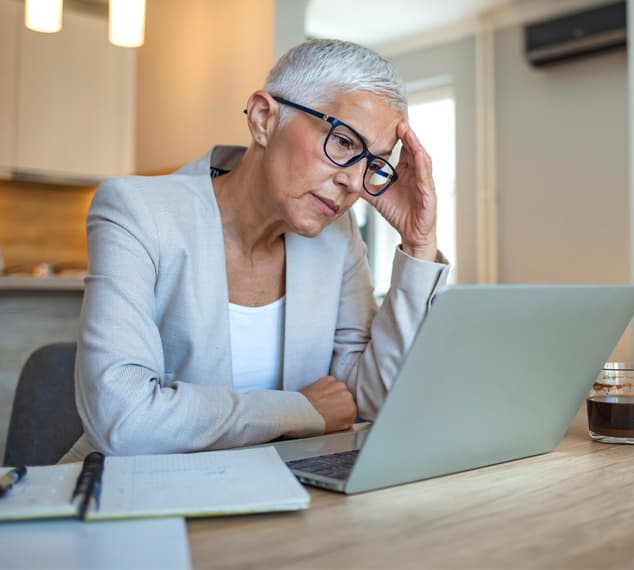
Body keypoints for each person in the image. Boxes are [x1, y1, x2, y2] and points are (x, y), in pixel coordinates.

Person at [61, 38, 449, 462]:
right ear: (264, 118)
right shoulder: (137, 211)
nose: (355, 183)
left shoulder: (337, 239)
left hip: (281, 488)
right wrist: (300, 410)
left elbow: (367, 399)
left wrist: (419, 243)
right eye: (343, 143)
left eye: (373, 164)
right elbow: (121, 418)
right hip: (135, 490)